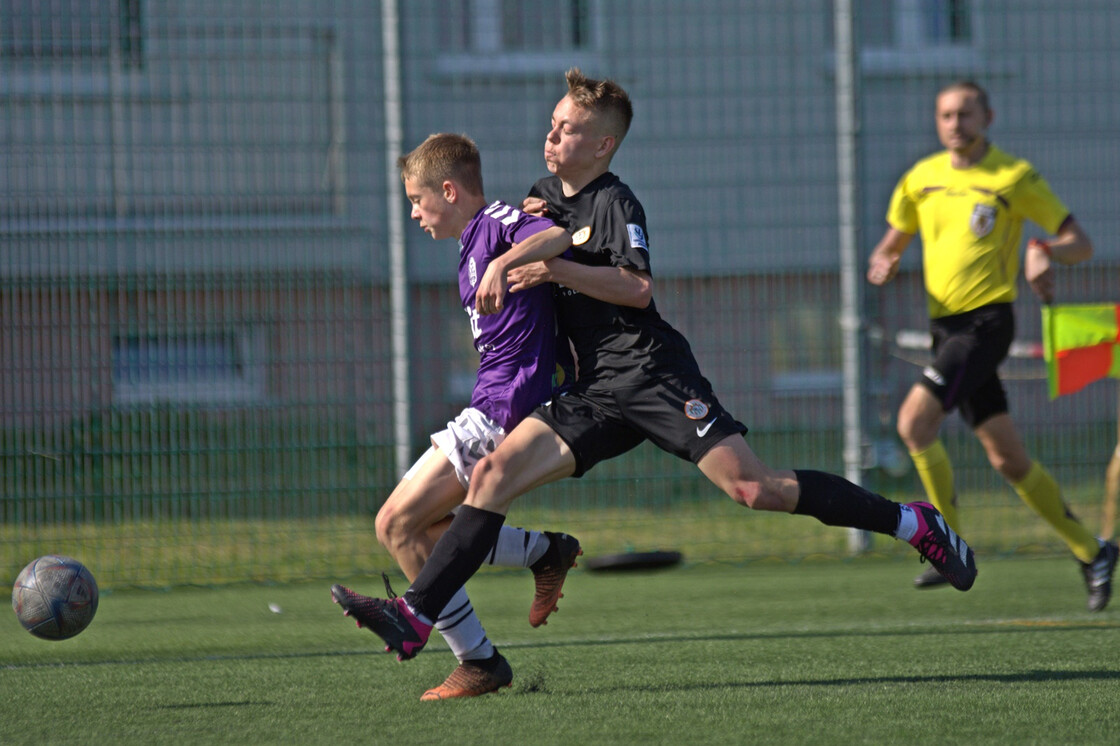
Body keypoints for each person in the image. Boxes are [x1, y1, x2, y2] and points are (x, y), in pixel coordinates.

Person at [331, 69, 978, 676]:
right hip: (591, 392)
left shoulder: (615, 202)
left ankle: (913, 523)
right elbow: (529, 240)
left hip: (650, 372)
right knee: (494, 474)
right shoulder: (539, 198)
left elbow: (636, 289)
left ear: (603, 144)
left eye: (568, 129)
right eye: (552, 124)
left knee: (756, 490)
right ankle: (419, 617)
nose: (551, 135)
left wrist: (550, 268)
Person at [330, 133, 582, 700]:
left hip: (505, 408)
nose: (415, 213)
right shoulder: (473, 238)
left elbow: (558, 235)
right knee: (417, 528)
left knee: (395, 523)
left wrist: (506, 261)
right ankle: (542, 555)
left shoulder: (492, 222)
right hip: (492, 404)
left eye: (418, 200)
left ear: (449, 189)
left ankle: (480, 660)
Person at [866, 80, 1118, 608]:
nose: (955, 123)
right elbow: (891, 242)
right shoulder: (920, 179)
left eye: (965, 113)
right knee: (1008, 459)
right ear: (937, 123)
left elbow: (1081, 241)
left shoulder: (1012, 176)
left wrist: (1044, 248)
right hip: (946, 331)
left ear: (988, 116)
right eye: (946, 115)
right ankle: (1091, 549)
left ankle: (945, 544)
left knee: (914, 423)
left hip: (987, 325)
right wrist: (883, 261)